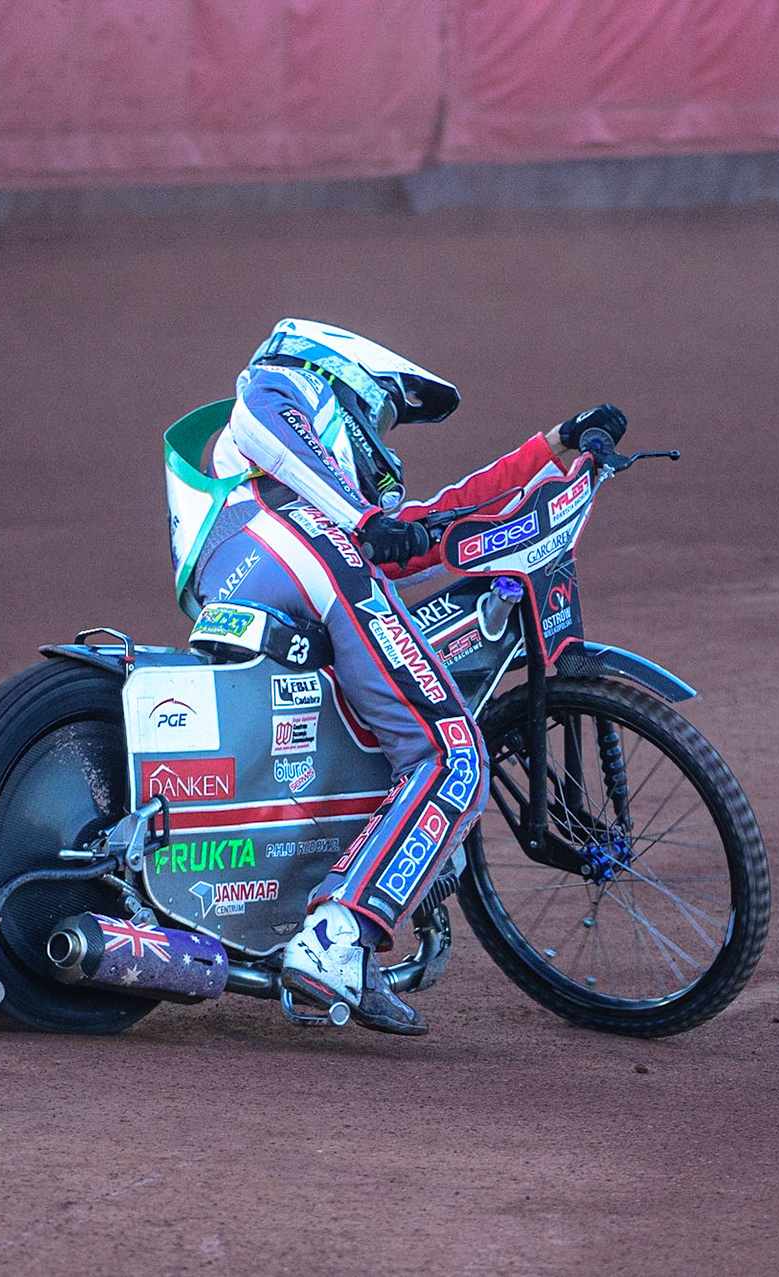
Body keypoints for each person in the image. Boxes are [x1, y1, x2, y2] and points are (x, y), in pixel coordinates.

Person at [169, 318, 625, 1034]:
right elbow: (263, 417)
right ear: (341, 378)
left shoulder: (325, 501)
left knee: (372, 749)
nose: (383, 434)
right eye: (381, 411)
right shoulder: (279, 384)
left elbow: (446, 515)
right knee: (452, 756)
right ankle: (338, 936)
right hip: (295, 547)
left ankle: (319, 922)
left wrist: (553, 445)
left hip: (260, 562)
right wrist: (359, 515)